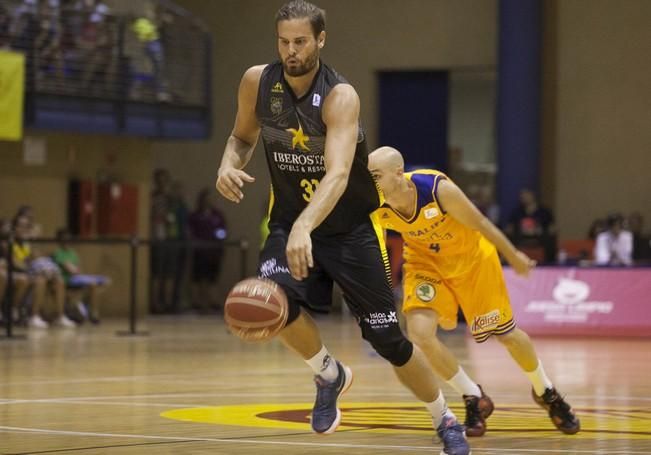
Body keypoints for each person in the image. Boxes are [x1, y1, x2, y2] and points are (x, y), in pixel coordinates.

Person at [214, 2, 469, 454]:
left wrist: (306, 227)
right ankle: (329, 373)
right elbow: (242, 137)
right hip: (291, 221)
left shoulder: (340, 96)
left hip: (350, 229)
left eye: (300, 42)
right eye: (283, 42)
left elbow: (336, 173)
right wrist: (228, 165)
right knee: (275, 305)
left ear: (321, 39)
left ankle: (444, 418)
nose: (291, 51)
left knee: (389, 340)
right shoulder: (257, 81)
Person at [367, 146, 580, 437]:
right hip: (425, 264)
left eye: (376, 175)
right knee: (419, 334)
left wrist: (514, 255)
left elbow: (481, 223)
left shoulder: (436, 189)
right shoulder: (372, 204)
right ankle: (473, 396)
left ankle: (546, 391)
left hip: (472, 262)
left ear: (398, 174)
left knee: (507, 335)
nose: (371, 182)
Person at [52, 227, 111, 323]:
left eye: (68, 238)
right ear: (59, 240)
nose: (67, 241)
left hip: (77, 279)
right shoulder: (58, 253)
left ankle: (93, 313)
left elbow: (79, 269)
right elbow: (69, 269)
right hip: (66, 280)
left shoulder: (73, 253)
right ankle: (81, 307)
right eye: (64, 239)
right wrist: (73, 269)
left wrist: (76, 270)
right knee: (92, 282)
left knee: (95, 285)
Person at [187, 188, 226, 313]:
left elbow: (222, 231)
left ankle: (212, 302)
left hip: (214, 252)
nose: (208, 201)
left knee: (212, 279)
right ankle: (198, 303)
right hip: (199, 252)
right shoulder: (195, 215)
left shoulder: (217, 215)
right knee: (199, 278)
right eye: (206, 198)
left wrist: (218, 238)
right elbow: (190, 231)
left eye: (210, 198)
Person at [505, 188, 556, 262]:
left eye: (526, 194)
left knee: (549, 239)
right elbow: (509, 228)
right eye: (522, 195)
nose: (523, 197)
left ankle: (550, 262)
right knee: (509, 238)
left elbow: (552, 228)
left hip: (539, 237)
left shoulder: (544, 211)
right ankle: (510, 262)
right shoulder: (517, 212)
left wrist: (540, 230)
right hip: (520, 237)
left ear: (533, 195)